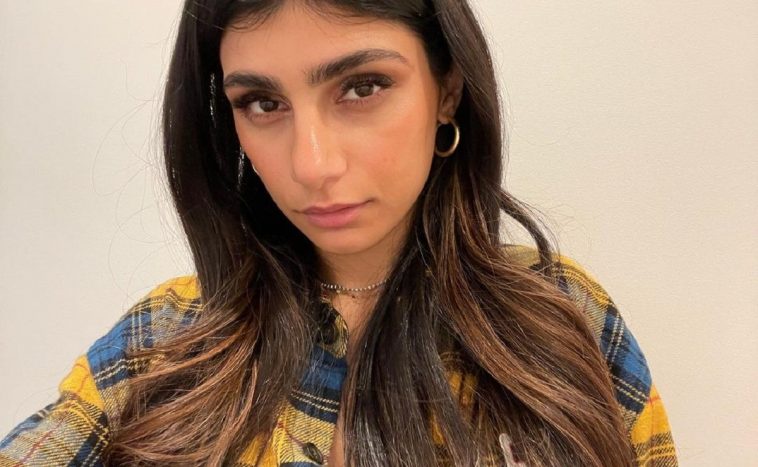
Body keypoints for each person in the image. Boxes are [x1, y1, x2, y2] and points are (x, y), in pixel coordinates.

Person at [0, 0, 678, 466]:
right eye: (263, 103)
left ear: (446, 89)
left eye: (362, 87)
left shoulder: (560, 321)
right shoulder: (167, 339)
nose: (312, 164)